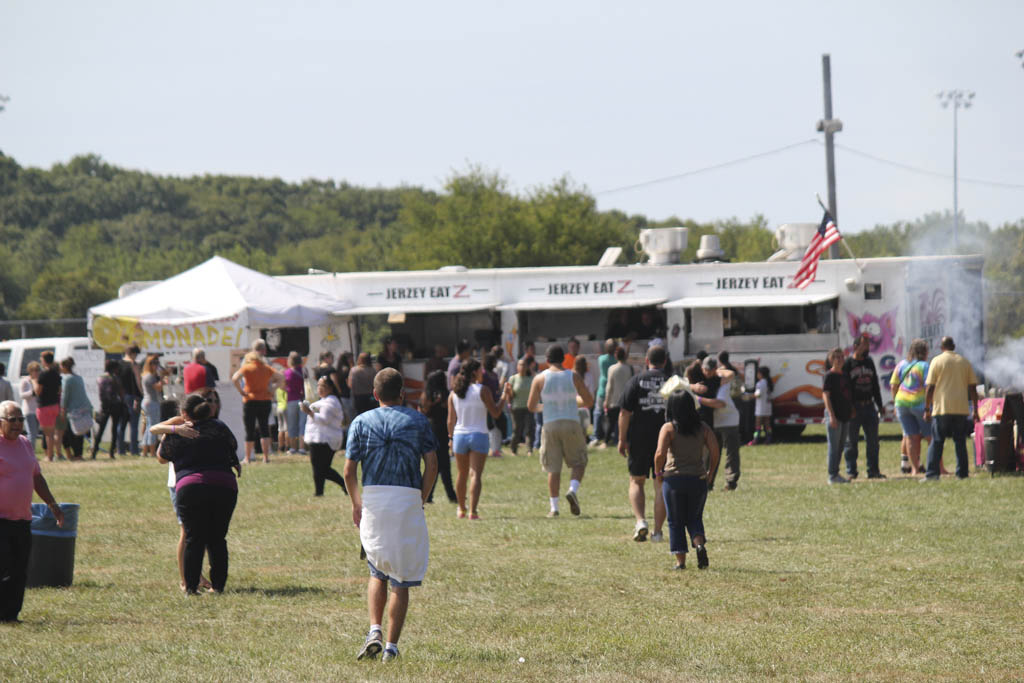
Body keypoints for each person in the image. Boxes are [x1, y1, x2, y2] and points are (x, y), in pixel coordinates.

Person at [345, 369, 438, 663]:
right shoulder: (418, 420)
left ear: (375, 395)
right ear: (402, 393)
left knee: (376, 568)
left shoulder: (360, 422)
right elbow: (432, 464)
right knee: (401, 578)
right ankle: (391, 647)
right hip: (406, 496)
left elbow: (348, 471)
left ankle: (374, 629)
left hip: (373, 497)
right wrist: (420, 498)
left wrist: (357, 503)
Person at [157, 393, 242, 594]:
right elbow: (233, 447)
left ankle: (191, 588)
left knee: (194, 538)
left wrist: (170, 429)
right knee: (217, 538)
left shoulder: (180, 432)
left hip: (191, 486)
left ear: (184, 413)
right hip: (224, 485)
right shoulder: (219, 427)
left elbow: (161, 457)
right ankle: (218, 587)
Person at [0, 400, 65, 622]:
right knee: (3, 566)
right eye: (12, 420)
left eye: (21, 419)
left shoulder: (26, 444)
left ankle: (11, 615)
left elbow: (36, 477)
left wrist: (52, 505)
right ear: (1, 422)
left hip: (22, 519)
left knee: (19, 569)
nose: (18, 424)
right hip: (1, 520)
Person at [150, 397, 214, 593]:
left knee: (200, 531)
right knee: (186, 532)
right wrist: (176, 430)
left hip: (196, 480)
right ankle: (185, 580)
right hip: (178, 482)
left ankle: (197, 575)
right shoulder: (178, 421)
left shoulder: (205, 424)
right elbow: (153, 429)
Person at [654, 391, 720, 570]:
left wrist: (658, 473)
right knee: (694, 517)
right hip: (698, 479)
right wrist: (710, 472)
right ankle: (699, 545)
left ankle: (680, 561)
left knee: (675, 521)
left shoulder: (669, 428)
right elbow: (715, 451)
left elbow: (660, 453)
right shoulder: (703, 428)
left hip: (674, 480)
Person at [528, 345, 594, 518]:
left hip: (550, 424)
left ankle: (554, 508)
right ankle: (572, 490)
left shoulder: (539, 378)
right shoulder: (573, 376)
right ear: (564, 359)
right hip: (571, 422)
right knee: (579, 462)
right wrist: (572, 402)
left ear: (547, 360)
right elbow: (589, 400)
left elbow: (531, 406)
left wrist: (547, 406)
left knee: (553, 468)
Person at [618, 346, 669, 541]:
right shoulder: (672, 381)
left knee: (636, 481)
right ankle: (657, 532)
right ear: (664, 361)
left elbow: (624, 412)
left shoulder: (636, 381)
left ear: (647, 361)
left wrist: (622, 439)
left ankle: (640, 521)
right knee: (660, 484)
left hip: (638, 438)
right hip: (665, 440)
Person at [447, 360, 508, 519]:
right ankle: (473, 512)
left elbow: (450, 420)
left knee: (462, 474)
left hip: (459, 435)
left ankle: (461, 509)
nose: (483, 373)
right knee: (475, 475)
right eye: (480, 370)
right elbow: (495, 413)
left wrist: (450, 437)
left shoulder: (454, 393)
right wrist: (504, 396)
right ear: (474, 372)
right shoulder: (482, 390)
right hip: (479, 435)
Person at [922, 336, 980, 481]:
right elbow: (973, 388)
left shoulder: (936, 361)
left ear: (941, 348)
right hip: (961, 409)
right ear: (953, 346)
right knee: (960, 442)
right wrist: (975, 410)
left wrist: (927, 408)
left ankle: (932, 474)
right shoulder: (964, 362)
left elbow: (930, 388)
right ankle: (962, 473)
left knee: (937, 442)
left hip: (942, 408)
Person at [843, 334, 886, 480]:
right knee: (851, 442)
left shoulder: (869, 362)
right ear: (855, 347)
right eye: (864, 345)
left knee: (873, 442)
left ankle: (873, 471)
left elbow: (874, 385)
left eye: (868, 345)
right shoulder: (848, 363)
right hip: (854, 407)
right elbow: (845, 388)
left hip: (869, 406)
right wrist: (849, 407)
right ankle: (851, 471)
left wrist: (879, 405)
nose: (867, 348)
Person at [231, 349, 281, 464]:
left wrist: (241, 391)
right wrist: (272, 388)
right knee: (264, 428)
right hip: (265, 400)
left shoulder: (247, 368)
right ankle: (266, 457)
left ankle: (248, 458)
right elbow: (281, 378)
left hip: (250, 399)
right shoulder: (266, 368)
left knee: (250, 429)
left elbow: (234, 378)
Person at [699, 360, 742, 491]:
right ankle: (706, 483)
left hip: (729, 420)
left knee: (731, 453)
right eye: (705, 370)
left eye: (710, 370)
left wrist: (699, 399)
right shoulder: (701, 381)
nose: (707, 373)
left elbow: (720, 403)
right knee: (709, 453)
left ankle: (730, 482)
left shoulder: (722, 382)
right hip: (713, 422)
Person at [890, 339, 932, 476]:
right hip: (918, 403)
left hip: (901, 403)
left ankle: (914, 469)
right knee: (930, 437)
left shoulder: (901, 364)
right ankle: (937, 466)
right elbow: (928, 387)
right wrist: (928, 407)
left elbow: (893, 385)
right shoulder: (924, 366)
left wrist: (895, 402)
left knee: (910, 436)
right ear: (924, 352)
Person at [301, 376, 348, 496]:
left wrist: (309, 412)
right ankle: (320, 492)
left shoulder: (330, 402)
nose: (320, 388)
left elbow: (324, 420)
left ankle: (343, 485)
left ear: (330, 388)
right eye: (318, 385)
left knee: (321, 468)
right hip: (320, 438)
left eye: (323, 386)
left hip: (325, 439)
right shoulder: (324, 401)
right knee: (320, 468)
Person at [419, 369, 457, 503]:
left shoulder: (426, 395)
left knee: (434, 464)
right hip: (441, 431)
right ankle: (450, 495)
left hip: (430, 431)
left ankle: (429, 495)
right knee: (443, 465)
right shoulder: (444, 395)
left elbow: (422, 411)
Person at [822, 348, 854, 484]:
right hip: (834, 415)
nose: (840, 360)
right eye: (837, 357)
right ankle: (832, 475)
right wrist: (831, 416)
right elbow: (826, 396)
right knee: (834, 447)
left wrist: (852, 408)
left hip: (845, 414)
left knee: (841, 446)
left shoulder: (845, 375)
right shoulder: (829, 376)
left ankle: (836, 473)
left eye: (842, 357)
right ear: (831, 360)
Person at [58, 357, 93, 461]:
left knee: (69, 433)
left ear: (64, 367)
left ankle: (74, 454)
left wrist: (62, 409)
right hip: (82, 408)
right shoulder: (79, 378)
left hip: (72, 410)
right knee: (80, 433)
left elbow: (65, 395)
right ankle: (78, 454)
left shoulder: (67, 379)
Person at [91, 359, 125, 459]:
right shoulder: (114, 378)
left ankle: (94, 451)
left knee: (101, 429)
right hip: (115, 405)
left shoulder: (100, 378)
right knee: (114, 429)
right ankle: (111, 452)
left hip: (104, 405)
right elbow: (121, 392)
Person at [34, 350, 63, 462]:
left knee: (48, 433)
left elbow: (38, 391)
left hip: (44, 406)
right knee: (54, 431)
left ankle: (49, 456)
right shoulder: (56, 373)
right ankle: (57, 453)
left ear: (45, 361)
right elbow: (60, 390)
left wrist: (34, 382)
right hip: (54, 405)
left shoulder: (43, 374)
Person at [116, 344, 143, 457]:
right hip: (133, 396)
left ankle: (120, 449)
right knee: (134, 424)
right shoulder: (134, 365)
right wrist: (141, 393)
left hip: (121, 396)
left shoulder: (118, 364)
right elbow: (137, 382)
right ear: (133, 353)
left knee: (121, 424)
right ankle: (134, 450)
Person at [603, 346, 632, 447]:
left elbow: (609, 386)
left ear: (616, 356)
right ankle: (627, 440)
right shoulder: (629, 368)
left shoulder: (612, 369)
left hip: (614, 400)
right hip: (626, 399)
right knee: (627, 423)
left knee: (611, 423)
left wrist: (607, 400)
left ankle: (606, 441)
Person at [140, 354, 168, 458]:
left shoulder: (146, 375)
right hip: (151, 402)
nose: (156, 366)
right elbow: (158, 388)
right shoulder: (149, 377)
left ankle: (145, 451)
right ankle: (151, 451)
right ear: (149, 364)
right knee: (152, 427)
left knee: (148, 427)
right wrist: (162, 379)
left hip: (148, 402)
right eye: (154, 363)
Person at [506, 358, 535, 456]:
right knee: (517, 429)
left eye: (524, 365)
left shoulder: (531, 379)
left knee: (529, 429)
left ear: (527, 367)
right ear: (517, 367)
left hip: (528, 407)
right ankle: (513, 449)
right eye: (520, 365)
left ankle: (529, 450)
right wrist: (509, 404)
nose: (522, 367)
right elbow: (509, 395)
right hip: (516, 408)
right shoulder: (513, 378)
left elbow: (534, 393)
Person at [592, 339, 617, 447]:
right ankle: (613, 435)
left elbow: (600, 353)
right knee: (613, 416)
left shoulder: (601, 359)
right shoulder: (616, 361)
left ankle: (597, 436)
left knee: (598, 412)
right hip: (613, 390)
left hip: (603, 389)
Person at [482, 353, 506, 458]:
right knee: (490, 426)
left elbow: (497, 388)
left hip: (496, 402)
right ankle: (493, 449)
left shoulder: (494, 374)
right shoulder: (483, 375)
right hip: (486, 404)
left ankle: (496, 448)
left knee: (499, 425)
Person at [284, 351, 308, 455]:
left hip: (291, 400)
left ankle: (293, 448)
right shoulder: (304, 371)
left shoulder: (287, 373)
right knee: (302, 424)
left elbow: (284, 386)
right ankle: (302, 448)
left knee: (292, 424)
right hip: (303, 399)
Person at [749, 366, 774, 445]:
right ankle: (768, 439)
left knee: (758, 425)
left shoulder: (760, 383)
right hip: (767, 406)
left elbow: (758, 394)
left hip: (760, 407)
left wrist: (749, 396)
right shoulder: (768, 382)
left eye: (758, 373)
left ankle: (756, 439)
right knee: (767, 424)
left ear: (761, 374)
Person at [19, 362, 41, 452]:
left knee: (35, 433)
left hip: (38, 410)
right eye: (34, 370)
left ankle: (30, 451)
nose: (36, 372)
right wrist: (32, 393)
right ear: (30, 371)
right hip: (28, 411)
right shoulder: (25, 381)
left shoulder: (39, 381)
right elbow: (22, 395)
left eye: (38, 370)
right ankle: (30, 452)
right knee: (31, 433)